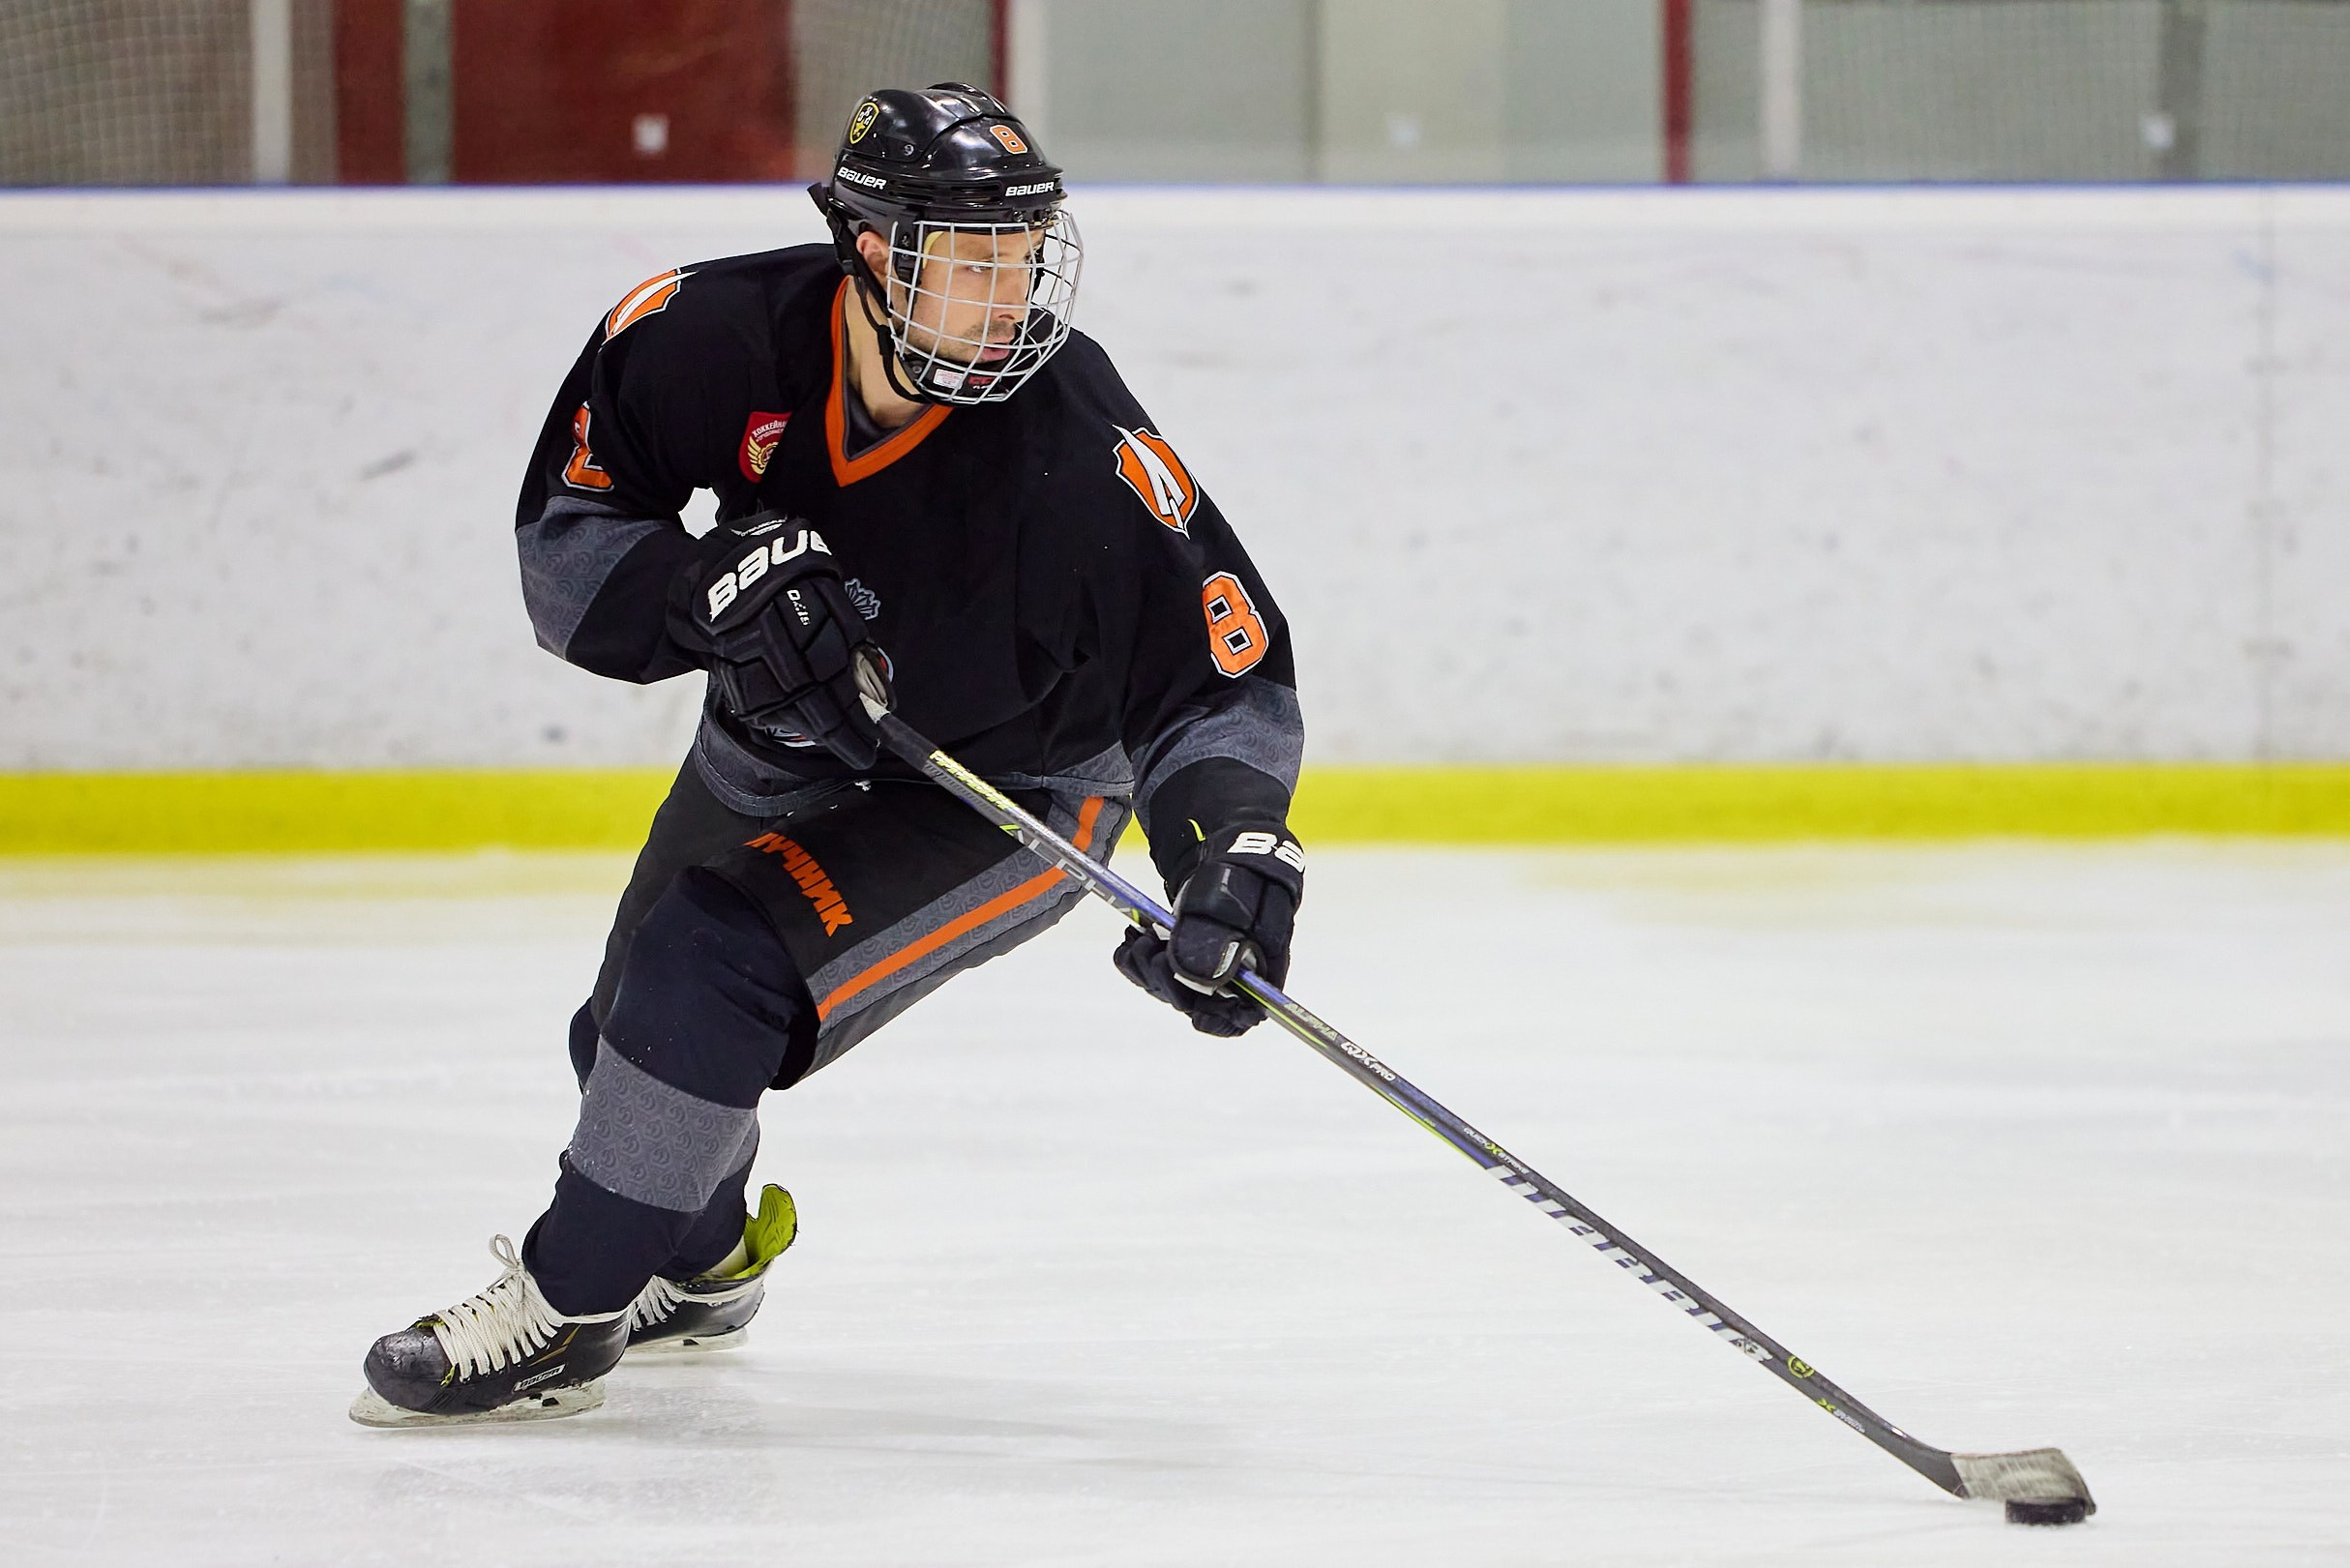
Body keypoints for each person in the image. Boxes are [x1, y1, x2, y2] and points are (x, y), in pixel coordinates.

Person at [351, 83, 1306, 1427]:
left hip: (1009, 790)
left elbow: (1218, 679)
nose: (1009, 290)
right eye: (965, 256)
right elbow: (568, 553)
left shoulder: (1077, 439)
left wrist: (1224, 857)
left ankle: (562, 1311)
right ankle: (701, 1264)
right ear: (866, 249)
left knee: (709, 957)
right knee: (629, 1037)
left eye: (1022, 253)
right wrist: (700, 590)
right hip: (782, 735)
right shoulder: (701, 338)